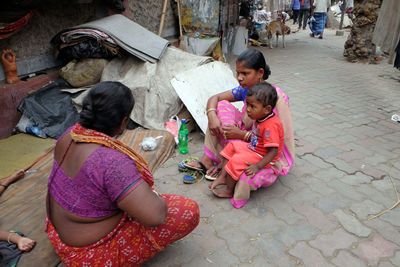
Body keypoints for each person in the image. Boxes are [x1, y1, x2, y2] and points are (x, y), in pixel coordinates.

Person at [46, 81, 200, 266]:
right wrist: (154, 196)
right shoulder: (112, 163)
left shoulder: (70, 134)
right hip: (88, 254)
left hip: (57, 231)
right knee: (186, 211)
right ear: (123, 122)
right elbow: (155, 217)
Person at [184, 49, 294, 208]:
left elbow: (273, 141)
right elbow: (215, 98)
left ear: (260, 72)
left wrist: (242, 135)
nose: (239, 78)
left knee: (242, 165)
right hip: (250, 135)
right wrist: (212, 115)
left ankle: (228, 174)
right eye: (237, 73)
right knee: (220, 106)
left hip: (264, 146)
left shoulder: (275, 98)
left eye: (245, 73)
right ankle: (210, 161)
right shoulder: (245, 90)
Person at [210, 82, 284, 206]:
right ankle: (223, 175)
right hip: (254, 148)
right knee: (232, 146)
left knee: (237, 160)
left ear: (267, 109)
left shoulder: (271, 125)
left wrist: (258, 166)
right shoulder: (261, 117)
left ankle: (230, 190)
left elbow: (273, 151)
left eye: (252, 106)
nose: (248, 110)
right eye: (247, 104)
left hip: (262, 156)